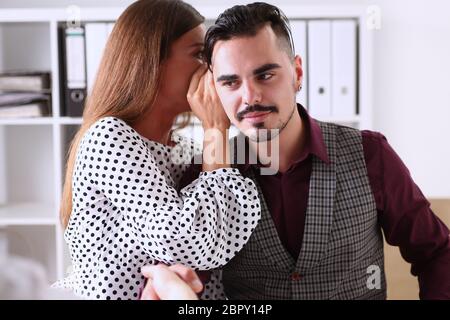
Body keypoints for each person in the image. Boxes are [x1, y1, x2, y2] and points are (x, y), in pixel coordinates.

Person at [146, 2, 450, 300]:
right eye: (230, 83)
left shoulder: (371, 155)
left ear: (297, 73)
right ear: (213, 90)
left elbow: (436, 251)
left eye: (265, 75)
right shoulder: (205, 173)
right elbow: (186, 271)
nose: (249, 97)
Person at [54, 0, 261, 300]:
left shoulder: (188, 150)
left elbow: (224, 237)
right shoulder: (109, 136)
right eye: (199, 55)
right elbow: (185, 242)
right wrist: (215, 130)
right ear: (152, 60)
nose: (212, 70)